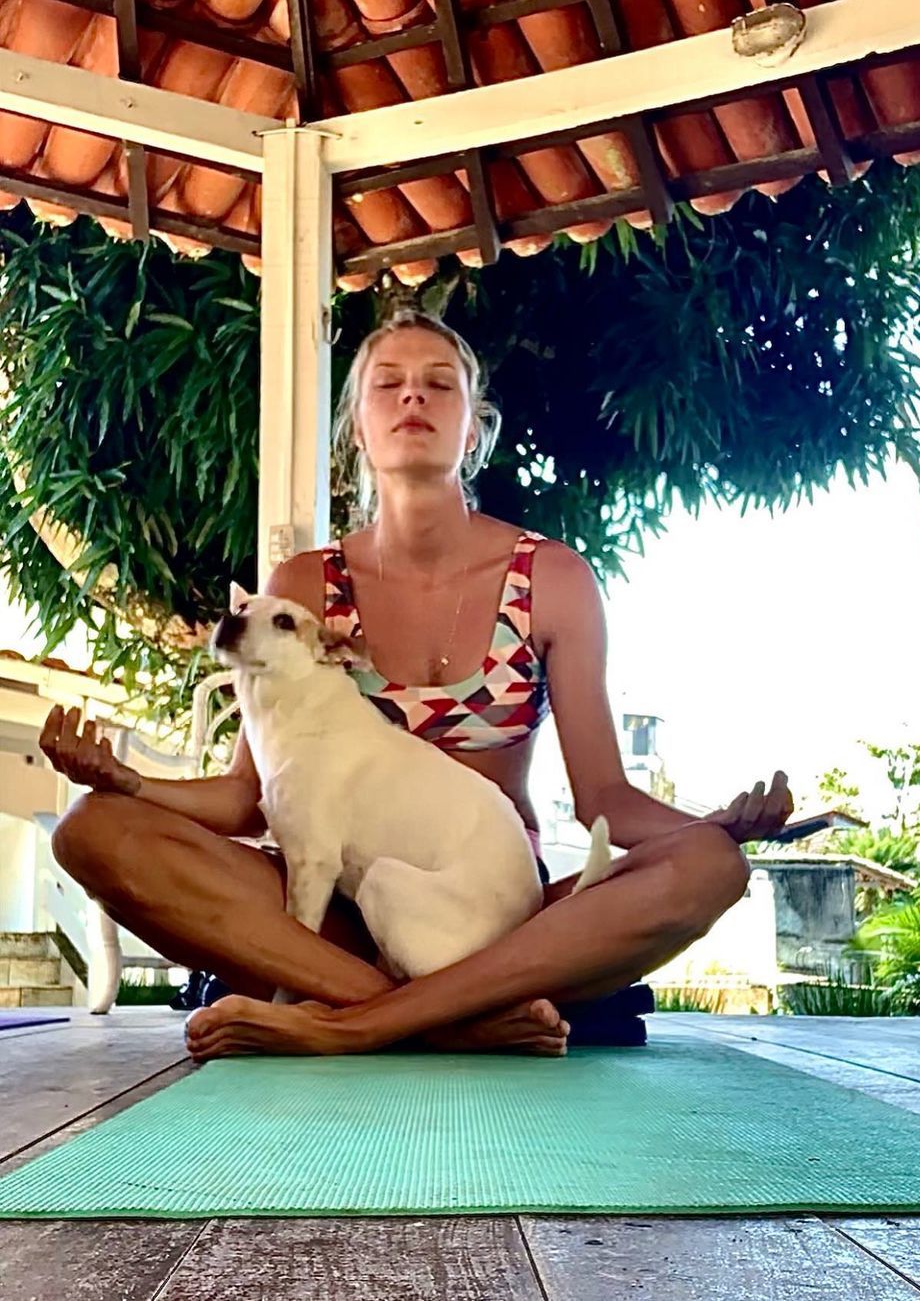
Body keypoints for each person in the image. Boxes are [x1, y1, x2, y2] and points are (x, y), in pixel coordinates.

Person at [40, 309, 793, 1061]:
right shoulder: (303, 588)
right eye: (387, 384)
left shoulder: (552, 579)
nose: (413, 397)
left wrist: (716, 826)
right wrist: (128, 783)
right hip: (330, 916)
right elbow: (247, 796)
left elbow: (606, 803)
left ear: (473, 430)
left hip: (505, 919)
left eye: (439, 384)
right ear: (357, 430)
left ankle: (351, 1020)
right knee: (91, 829)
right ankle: (449, 1018)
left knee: (711, 867)